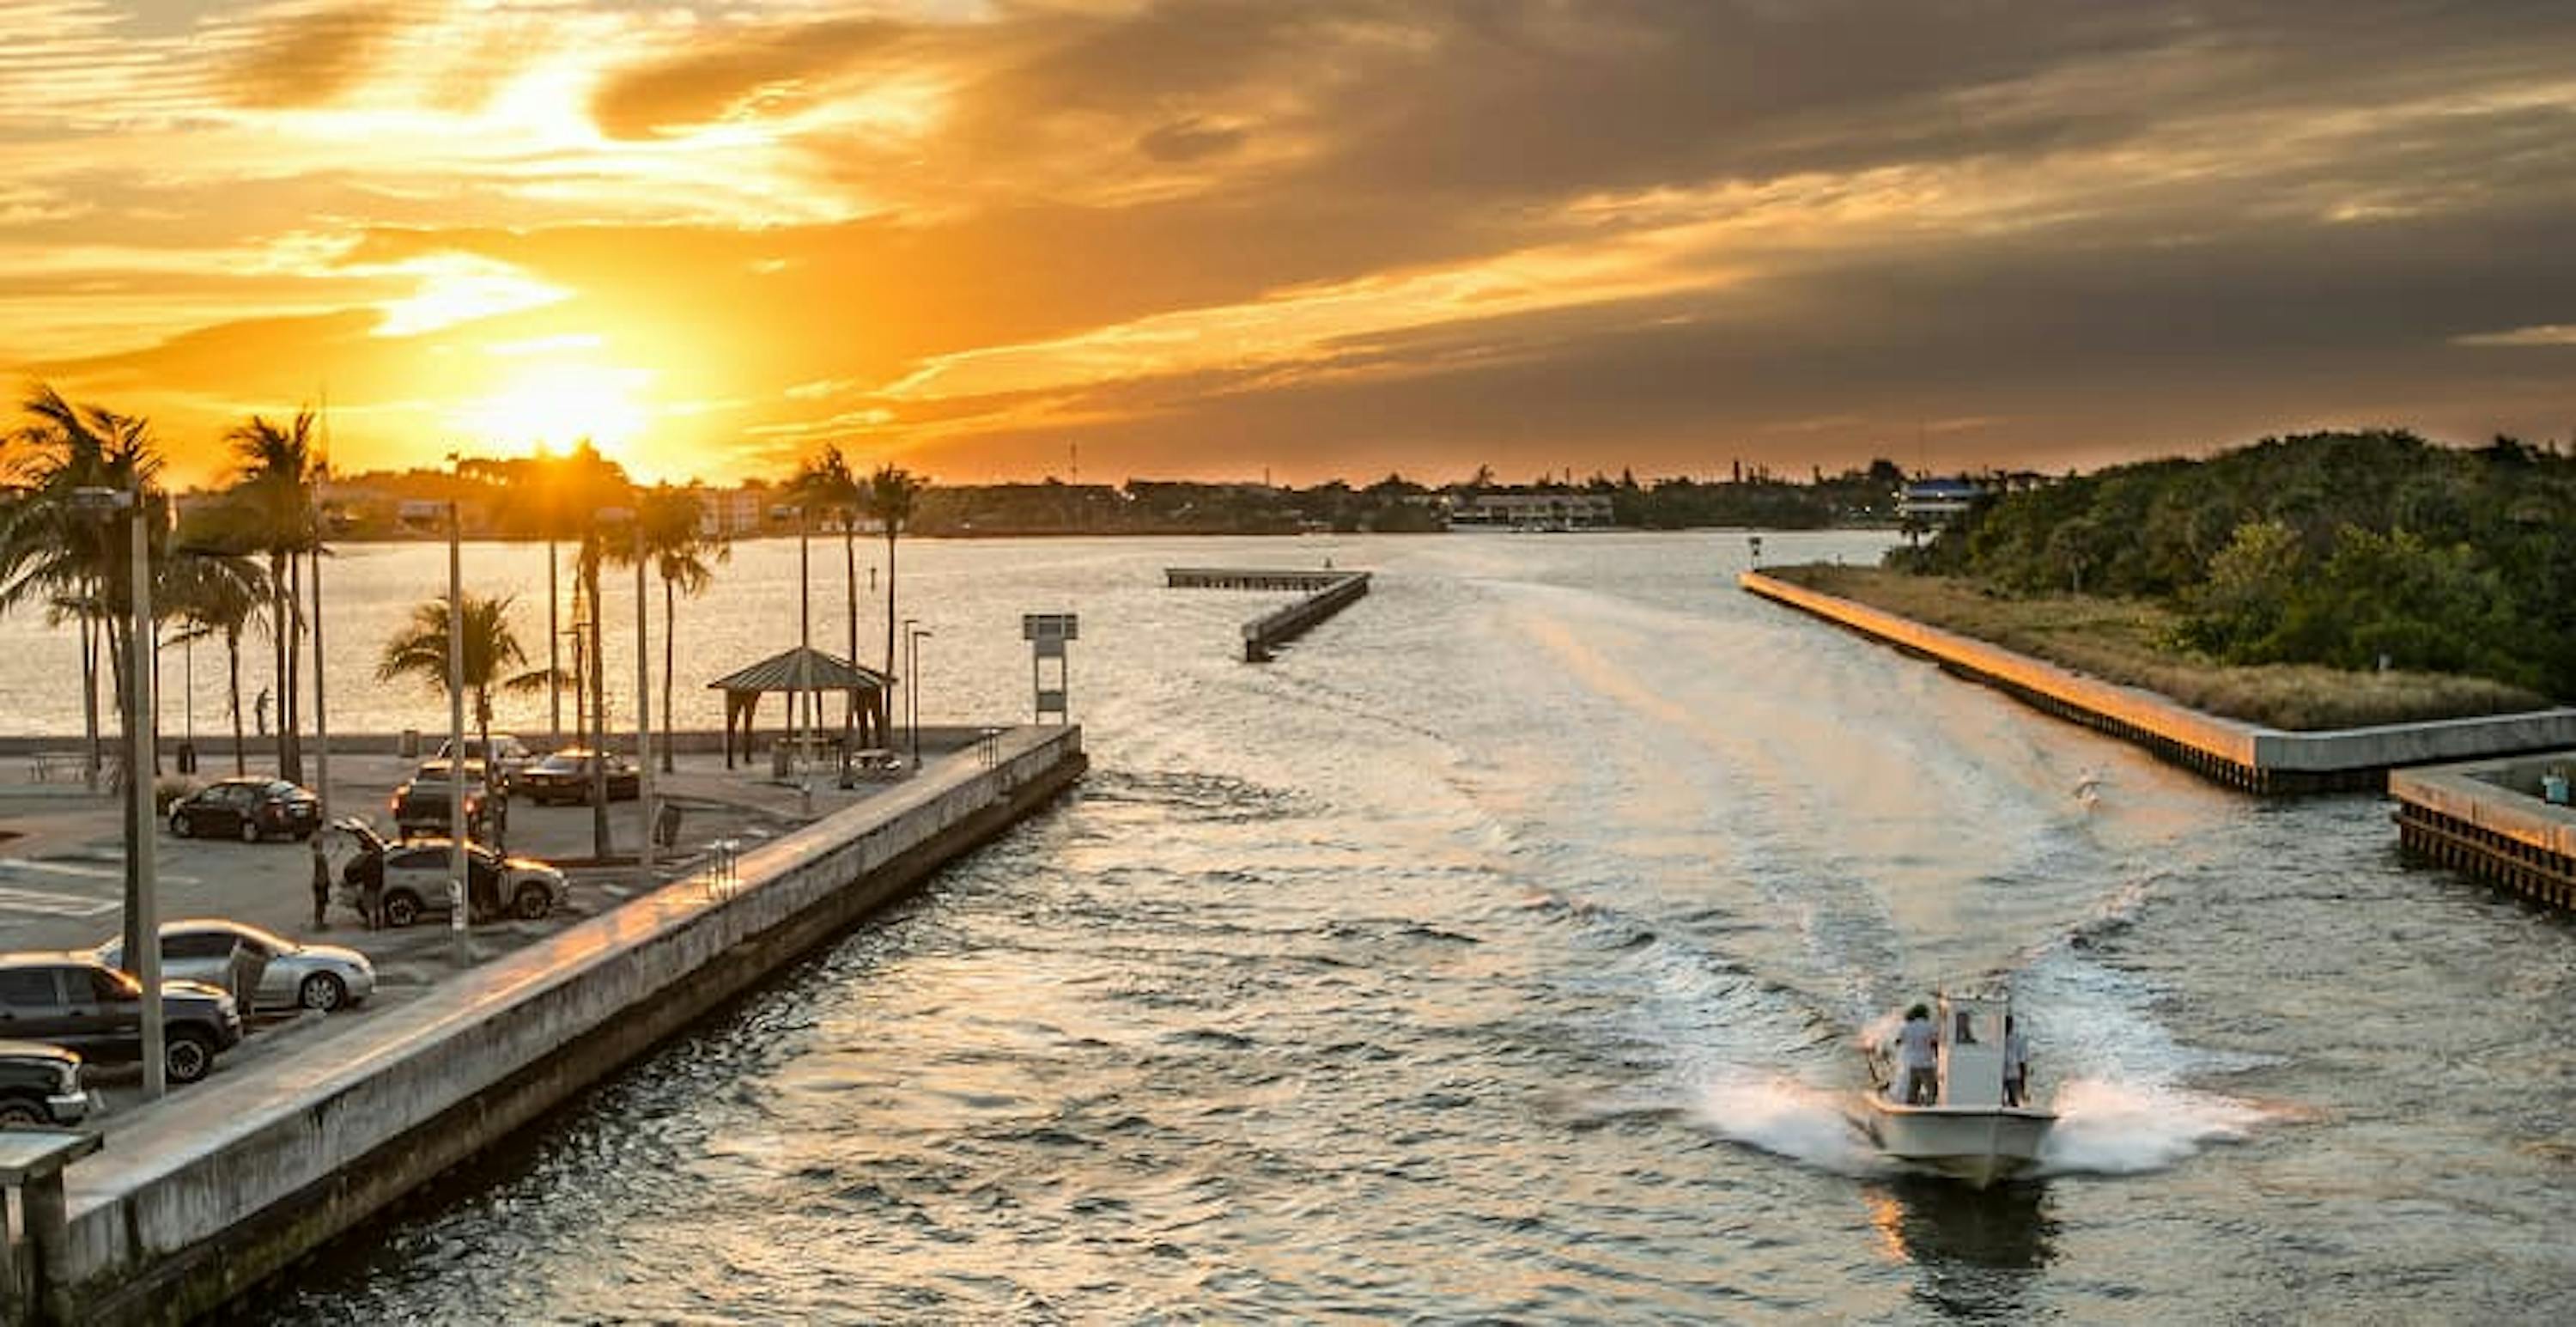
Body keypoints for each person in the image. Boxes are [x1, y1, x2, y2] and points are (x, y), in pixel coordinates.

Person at [1895, 1003, 1940, 1105]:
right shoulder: (1930, 1026)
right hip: (1926, 1063)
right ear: (1925, 1013)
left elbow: (1898, 1042)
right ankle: (1930, 1107)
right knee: (1932, 1088)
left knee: (1913, 1089)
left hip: (1912, 1064)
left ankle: (1910, 1108)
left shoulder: (1906, 1027)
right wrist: (1938, 1058)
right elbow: (1934, 1043)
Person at [2003, 1015, 2032, 1108]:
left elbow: (2022, 1062)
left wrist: (2023, 1086)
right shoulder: (1997, 1037)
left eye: (2009, 1024)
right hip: (1999, 1074)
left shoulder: (2019, 1038)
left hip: (2013, 1074)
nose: (2007, 1026)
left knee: (2015, 1101)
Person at [308, 837, 331, 930]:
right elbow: (322, 870)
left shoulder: (319, 855)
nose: (322, 845)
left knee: (321, 903)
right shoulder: (319, 856)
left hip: (320, 882)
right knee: (320, 903)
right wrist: (325, 880)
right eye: (320, 843)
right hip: (321, 883)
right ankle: (318, 923)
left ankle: (320, 922)